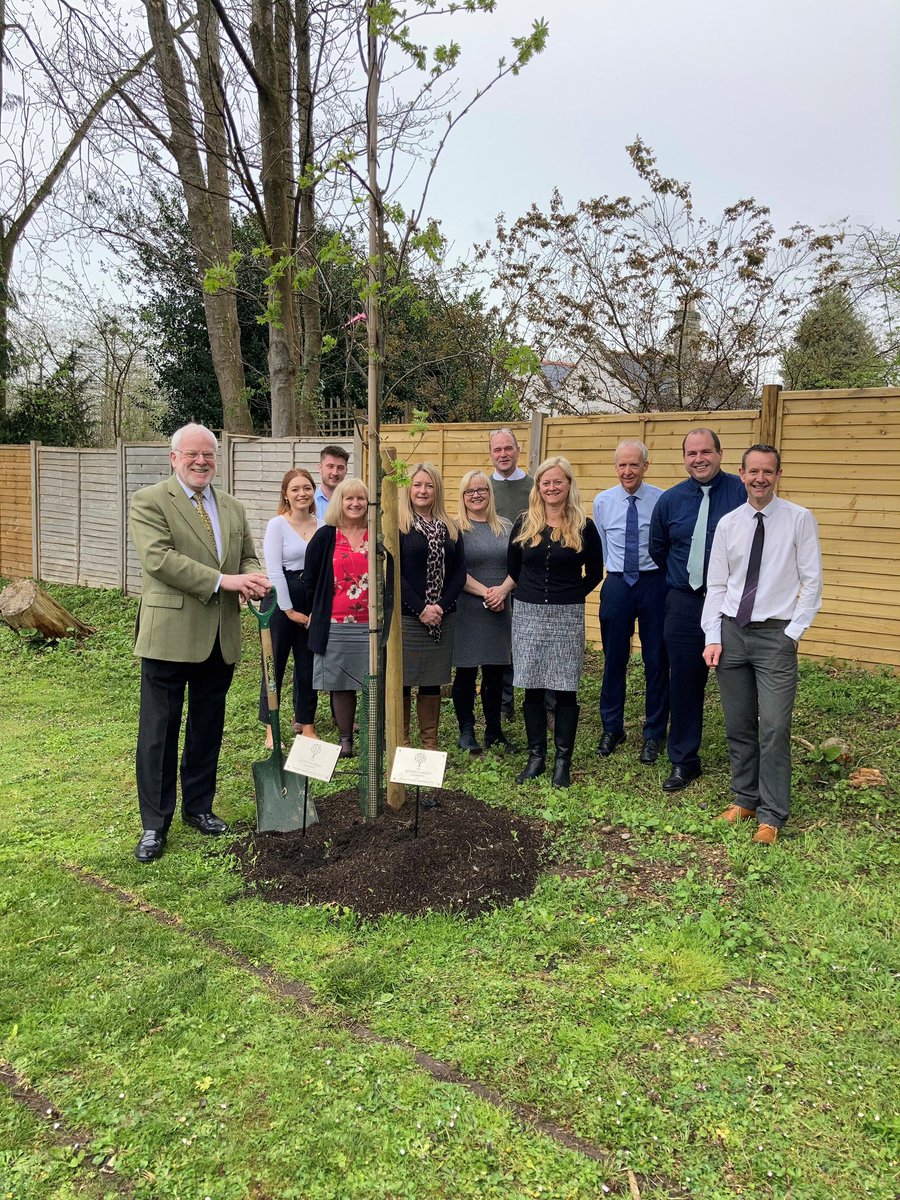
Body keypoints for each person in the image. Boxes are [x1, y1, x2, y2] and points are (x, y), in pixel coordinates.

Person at [130, 423, 270, 863]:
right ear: (174, 458)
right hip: (168, 636)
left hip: (219, 637)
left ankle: (198, 808)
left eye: (208, 454)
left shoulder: (231, 506)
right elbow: (159, 560)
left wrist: (252, 578)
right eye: (191, 454)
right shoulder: (150, 500)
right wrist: (225, 580)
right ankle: (155, 824)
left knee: (207, 728)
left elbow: (247, 554)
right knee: (159, 733)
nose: (200, 461)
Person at [702, 445, 823, 845]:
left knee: (774, 726)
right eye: (753, 471)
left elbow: (812, 582)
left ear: (778, 474)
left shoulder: (799, 520)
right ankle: (746, 798)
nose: (759, 478)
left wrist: (792, 634)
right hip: (732, 633)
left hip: (775, 636)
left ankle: (772, 814)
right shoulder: (728, 523)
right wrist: (713, 636)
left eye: (767, 472)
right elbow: (717, 584)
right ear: (741, 474)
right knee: (738, 724)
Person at [649, 428, 746, 793]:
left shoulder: (741, 493)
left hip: (732, 606)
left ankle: (744, 766)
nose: (699, 458)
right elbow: (659, 550)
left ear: (720, 454)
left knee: (738, 684)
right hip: (685, 603)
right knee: (685, 683)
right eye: (692, 453)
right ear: (684, 458)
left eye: (706, 451)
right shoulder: (670, 500)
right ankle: (683, 761)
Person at [504, 456, 603, 788]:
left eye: (557, 481)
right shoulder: (524, 522)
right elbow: (514, 568)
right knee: (532, 687)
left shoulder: (584, 525)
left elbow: (596, 571)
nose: (551, 487)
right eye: (545, 482)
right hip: (529, 614)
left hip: (567, 615)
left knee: (565, 690)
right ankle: (536, 758)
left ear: (569, 484)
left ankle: (563, 762)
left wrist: (572, 593)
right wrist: (531, 594)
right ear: (538, 487)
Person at [592, 440, 668, 764]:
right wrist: (615, 577)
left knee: (656, 662)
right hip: (619, 583)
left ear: (645, 466)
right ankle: (613, 727)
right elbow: (602, 545)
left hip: (654, 584)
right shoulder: (603, 501)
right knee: (614, 660)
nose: (627, 471)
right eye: (621, 465)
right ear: (615, 468)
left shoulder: (662, 500)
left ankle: (654, 734)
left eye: (634, 465)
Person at [398, 462, 466, 757]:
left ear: (436, 489)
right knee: (402, 681)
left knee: (431, 681)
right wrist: (420, 608)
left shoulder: (450, 526)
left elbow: (459, 573)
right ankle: (401, 743)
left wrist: (439, 606)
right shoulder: (397, 525)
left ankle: (429, 745)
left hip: (442, 616)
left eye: (429, 485)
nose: (423, 490)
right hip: (407, 617)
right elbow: (394, 574)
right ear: (408, 489)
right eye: (417, 485)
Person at [298, 478, 370, 758]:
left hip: (370, 625)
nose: (355, 503)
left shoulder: (376, 534)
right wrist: (318, 607)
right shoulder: (327, 535)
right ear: (339, 502)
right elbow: (310, 577)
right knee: (341, 682)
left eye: (360, 498)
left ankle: (374, 735)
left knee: (372, 680)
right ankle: (345, 738)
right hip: (335, 623)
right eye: (348, 498)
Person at [451, 471, 517, 754]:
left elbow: (518, 566)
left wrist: (502, 591)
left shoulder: (506, 527)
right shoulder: (455, 529)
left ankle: (494, 730)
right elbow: (455, 572)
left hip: (500, 608)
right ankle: (466, 730)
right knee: (466, 673)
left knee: (495, 673)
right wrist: (488, 593)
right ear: (463, 496)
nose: (476, 495)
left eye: (482, 490)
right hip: (468, 609)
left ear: (490, 493)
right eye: (470, 491)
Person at [258, 468, 322, 749]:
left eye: (306, 488)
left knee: (309, 666)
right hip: (280, 601)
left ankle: (307, 726)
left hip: (312, 599)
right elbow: (274, 571)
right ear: (286, 494)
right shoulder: (277, 525)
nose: (301, 494)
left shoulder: (322, 526)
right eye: (295, 489)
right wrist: (289, 610)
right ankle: (271, 729)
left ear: (313, 492)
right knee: (275, 665)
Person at [488, 428, 535, 719]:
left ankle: (538, 701)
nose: (503, 454)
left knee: (528, 644)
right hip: (493, 578)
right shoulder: (483, 487)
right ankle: (505, 705)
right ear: (491, 454)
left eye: (508, 448)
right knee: (501, 645)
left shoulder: (533, 487)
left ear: (518, 451)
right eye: (497, 449)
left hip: (528, 577)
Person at [314, 444, 349, 519]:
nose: (335, 473)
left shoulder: (353, 504)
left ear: (346, 471)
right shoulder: (309, 502)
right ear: (320, 468)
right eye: (330, 466)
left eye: (340, 468)